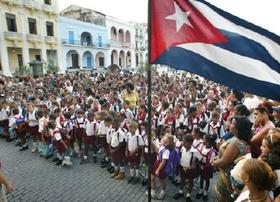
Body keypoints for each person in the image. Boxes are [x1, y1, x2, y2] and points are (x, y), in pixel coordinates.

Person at [213, 116, 252, 202]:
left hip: (227, 178)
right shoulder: (239, 140)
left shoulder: (235, 144)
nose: (230, 125)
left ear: (238, 128)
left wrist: (213, 162)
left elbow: (223, 162)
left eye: (233, 123)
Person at [173, 134, 201, 202]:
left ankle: (188, 195)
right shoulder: (182, 148)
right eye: (182, 141)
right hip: (182, 167)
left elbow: (200, 158)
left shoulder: (195, 151)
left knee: (190, 182)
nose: (182, 143)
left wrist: (195, 164)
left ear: (190, 143)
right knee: (182, 179)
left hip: (190, 169)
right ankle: (181, 192)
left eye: (184, 142)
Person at [149, 134, 175, 200]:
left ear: (169, 144)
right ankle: (153, 191)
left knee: (162, 180)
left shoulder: (166, 151)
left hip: (160, 166)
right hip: (157, 163)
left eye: (166, 142)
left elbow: (163, 162)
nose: (163, 142)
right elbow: (158, 151)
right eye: (163, 140)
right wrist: (152, 144)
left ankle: (163, 192)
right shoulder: (162, 147)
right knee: (152, 178)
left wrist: (158, 169)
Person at [196, 134, 216, 201]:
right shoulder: (202, 146)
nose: (202, 140)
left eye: (204, 139)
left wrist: (203, 167)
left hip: (207, 167)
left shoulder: (212, 151)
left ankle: (205, 192)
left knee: (207, 179)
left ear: (207, 141)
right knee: (201, 178)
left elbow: (211, 162)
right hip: (201, 165)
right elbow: (198, 153)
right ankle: (201, 190)